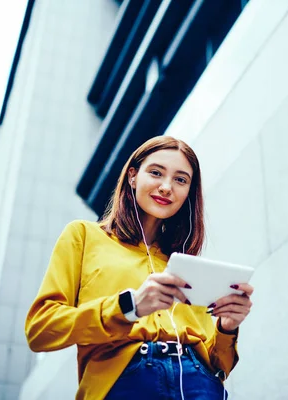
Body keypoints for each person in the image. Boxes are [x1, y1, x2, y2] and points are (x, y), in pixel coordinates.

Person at [25, 136, 254, 400]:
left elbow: (219, 365)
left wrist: (227, 327)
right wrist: (128, 307)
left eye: (181, 180)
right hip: (125, 381)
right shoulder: (84, 236)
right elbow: (40, 331)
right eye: (156, 173)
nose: (166, 187)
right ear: (133, 176)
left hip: (199, 384)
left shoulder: (186, 264)